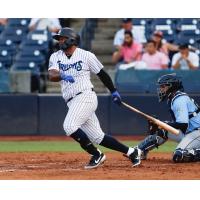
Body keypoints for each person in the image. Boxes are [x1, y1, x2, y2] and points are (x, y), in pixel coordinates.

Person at [48, 27, 141, 169]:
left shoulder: (86, 56)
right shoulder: (55, 56)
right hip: (71, 101)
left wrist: (114, 91)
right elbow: (52, 75)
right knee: (98, 137)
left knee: (69, 126)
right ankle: (132, 152)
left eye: (62, 38)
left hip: (85, 96)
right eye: (59, 39)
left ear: (72, 39)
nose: (60, 41)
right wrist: (62, 75)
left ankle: (96, 154)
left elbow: (102, 74)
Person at [132, 73, 200, 165]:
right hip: (190, 132)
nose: (161, 89)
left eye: (163, 86)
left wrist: (160, 123)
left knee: (179, 156)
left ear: (172, 87)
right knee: (163, 129)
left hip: (197, 133)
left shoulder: (179, 99)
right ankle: (139, 150)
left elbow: (183, 124)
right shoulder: (173, 98)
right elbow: (181, 126)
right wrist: (162, 125)